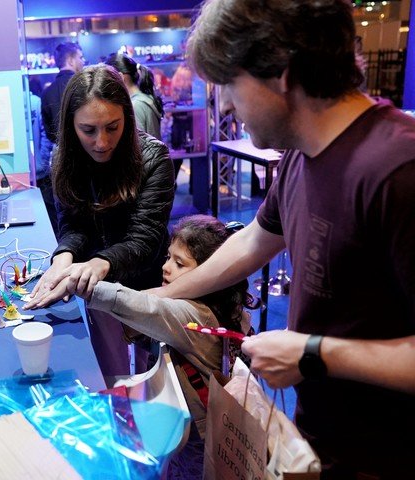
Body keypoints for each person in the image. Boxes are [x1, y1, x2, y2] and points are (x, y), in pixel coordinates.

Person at [153, 0, 415, 477]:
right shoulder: (299, 156)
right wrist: (161, 298)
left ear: (282, 73)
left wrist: (314, 353)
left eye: (230, 84)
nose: (226, 106)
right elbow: (254, 241)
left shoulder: (399, 170)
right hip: (319, 446)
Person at [24, 65, 175, 382]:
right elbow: (74, 225)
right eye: (88, 130)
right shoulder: (63, 157)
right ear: (70, 125)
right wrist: (63, 258)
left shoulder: (154, 158)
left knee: (155, 381)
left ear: (127, 118)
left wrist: (98, 262)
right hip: (97, 285)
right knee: (112, 379)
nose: (102, 142)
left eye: (112, 127)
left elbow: (144, 241)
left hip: (148, 282)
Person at [82, 215, 257, 479]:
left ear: (209, 274)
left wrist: (87, 286)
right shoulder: (222, 306)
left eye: (179, 263)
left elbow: (148, 309)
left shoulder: (196, 315)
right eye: (167, 257)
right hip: (198, 423)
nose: (166, 268)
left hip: (200, 433)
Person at [39, 42, 85, 232]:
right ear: (72, 59)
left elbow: (49, 133)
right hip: (86, 159)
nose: (82, 62)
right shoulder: (84, 85)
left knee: (66, 219)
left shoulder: (47, 92)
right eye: (81, 58)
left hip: (60, 161)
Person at [105, 53, 164, 140]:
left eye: (108, 79)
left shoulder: (135, 105)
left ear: (120, 77)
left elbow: (138, 144)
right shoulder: (143, 99)